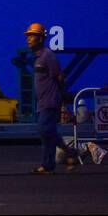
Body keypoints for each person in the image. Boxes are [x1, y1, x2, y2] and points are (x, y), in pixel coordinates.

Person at [26, 22, 65, 174]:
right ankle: (49, 164)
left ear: (41, 39)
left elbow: (60, 77)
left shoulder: (48, 56)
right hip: (42, 103)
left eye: (32, 36)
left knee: (44, 130)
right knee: (47, 134)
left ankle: (68, 152)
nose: (28, 39)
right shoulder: (38, 58)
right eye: (28, 36)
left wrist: (61, 99)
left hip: (50, 101)